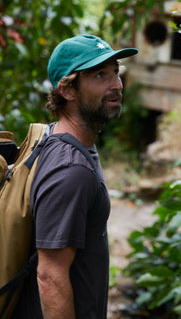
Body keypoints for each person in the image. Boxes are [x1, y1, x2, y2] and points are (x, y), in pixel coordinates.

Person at [13, 34, 138, 319]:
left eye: (115, 73)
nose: (116, 84)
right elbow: (50, 276)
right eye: (99, 75)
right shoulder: (71, 170)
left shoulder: (59, 138)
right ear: (68, 90)